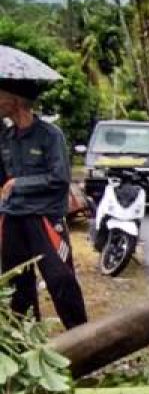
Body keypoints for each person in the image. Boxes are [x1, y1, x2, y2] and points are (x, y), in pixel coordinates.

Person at [0, 81, 88, 328]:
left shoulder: (50, 135)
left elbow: (60, 178)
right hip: (12, 218)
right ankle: (26, 342)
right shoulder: (5, 138)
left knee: (60, 278)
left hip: (45, 218)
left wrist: (19, 183)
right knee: (17, 284)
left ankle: (82, 336)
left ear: (14, 101)